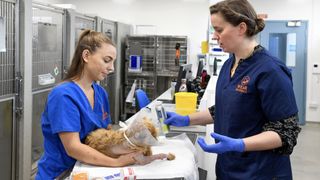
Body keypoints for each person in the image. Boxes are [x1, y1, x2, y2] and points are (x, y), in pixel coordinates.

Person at [165, 0, 301, 179]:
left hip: (260, 171)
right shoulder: (229, 64)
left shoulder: (270, 70)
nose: (214, 36)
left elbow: (286, 132)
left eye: (219, 30)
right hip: (229, 168)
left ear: (241, 28)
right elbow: (224, 109)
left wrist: (239, 144)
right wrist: (186, 120)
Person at [36, 30, 163, 179]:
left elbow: (104, 132)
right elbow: (73, 148)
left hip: (89, 169)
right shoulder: (63, 95)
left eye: (113, 62)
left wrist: (131, 142)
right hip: (62, 173)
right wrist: (116, 162)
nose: (112, 68)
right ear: (86, 56)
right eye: (107, 60)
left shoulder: (100, 92)